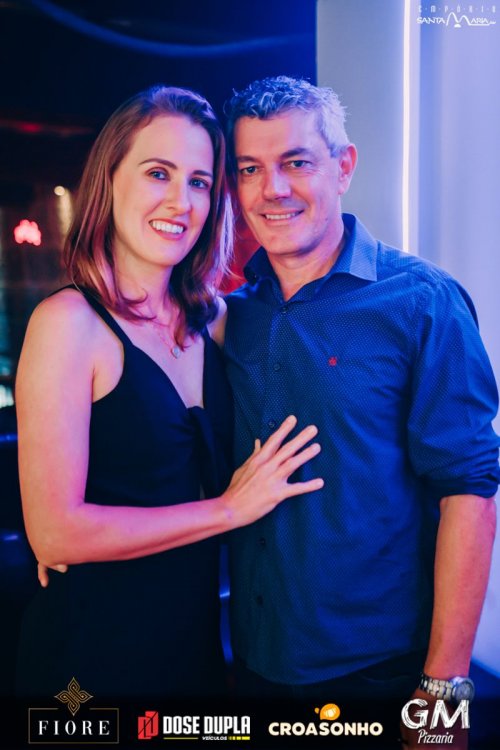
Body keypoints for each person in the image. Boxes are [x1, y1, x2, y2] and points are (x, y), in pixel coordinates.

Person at [15, 84, 324, 699]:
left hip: (195, 647)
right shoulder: (69, 324)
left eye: (200, 182)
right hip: (90, 661)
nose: (181, 202)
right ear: (109, 179)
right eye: (158, 173)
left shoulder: (216, 321)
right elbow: (54, 533)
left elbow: (317, 334)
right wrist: (228, 510)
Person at [222, 76, 499, 747]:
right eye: (250, 169)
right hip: (250, 658)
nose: (272, 189)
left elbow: (470, 490)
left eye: (296, 162)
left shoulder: (421, 301)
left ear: (343, 167)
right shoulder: (232, 313)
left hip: (378, 673)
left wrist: (444, 692)